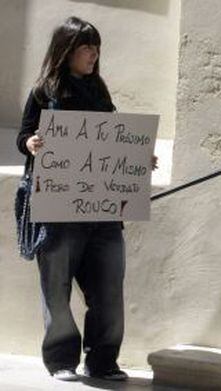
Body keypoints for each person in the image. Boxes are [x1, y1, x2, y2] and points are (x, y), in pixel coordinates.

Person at [16, 16, 134, 381]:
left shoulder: (100, 92)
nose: (94, 53)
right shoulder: (44, 92)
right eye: (86, 46)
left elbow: (111, 141)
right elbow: (23, 135)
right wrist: (31, 143)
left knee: (109, 287)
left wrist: (136, 159)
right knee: (57, 288)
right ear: (66, 50)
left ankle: (103, 360)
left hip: (101, 212)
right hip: (57, 211)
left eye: (96, 47)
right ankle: (61, 360)